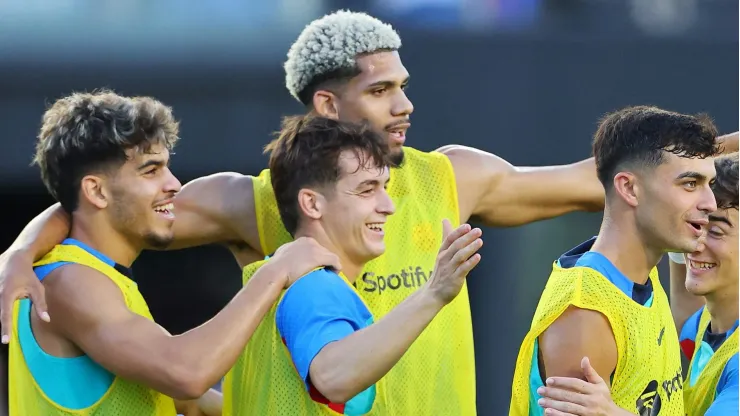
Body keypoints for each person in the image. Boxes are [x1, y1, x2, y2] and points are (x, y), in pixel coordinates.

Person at [0, 10, 738, 415]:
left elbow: (619, 175)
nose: (407, 103)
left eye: (405, 84)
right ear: (328, 104)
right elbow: (112, 211)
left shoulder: (455, 177)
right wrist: (21, 252)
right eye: (383, 89)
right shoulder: (254, 200)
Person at [8, 91, 339, 416]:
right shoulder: (71, 280)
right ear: (96, 191)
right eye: (150, 171)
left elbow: (185, 400)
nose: (174, 184)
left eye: (167, 167)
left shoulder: (99, 274)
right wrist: (276, 270)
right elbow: (185, 374)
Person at [222, 115, 482, 415]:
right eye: (367, 189)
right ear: (312, 204)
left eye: (384, 187)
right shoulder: (313, 284)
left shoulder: (275, 281)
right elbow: (333, 378)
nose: (388, 206)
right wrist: (434, 292)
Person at [509, 106, 722, 416]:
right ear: (629, 188)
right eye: (690, 184)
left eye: (709, 185)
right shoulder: (587, 313)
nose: (710, 203)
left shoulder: (640, 275)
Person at [536, 153, 739, 416]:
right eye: (698, 224)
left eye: (716, 232)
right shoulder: (701, 326)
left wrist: (610, 413)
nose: (698, 241)